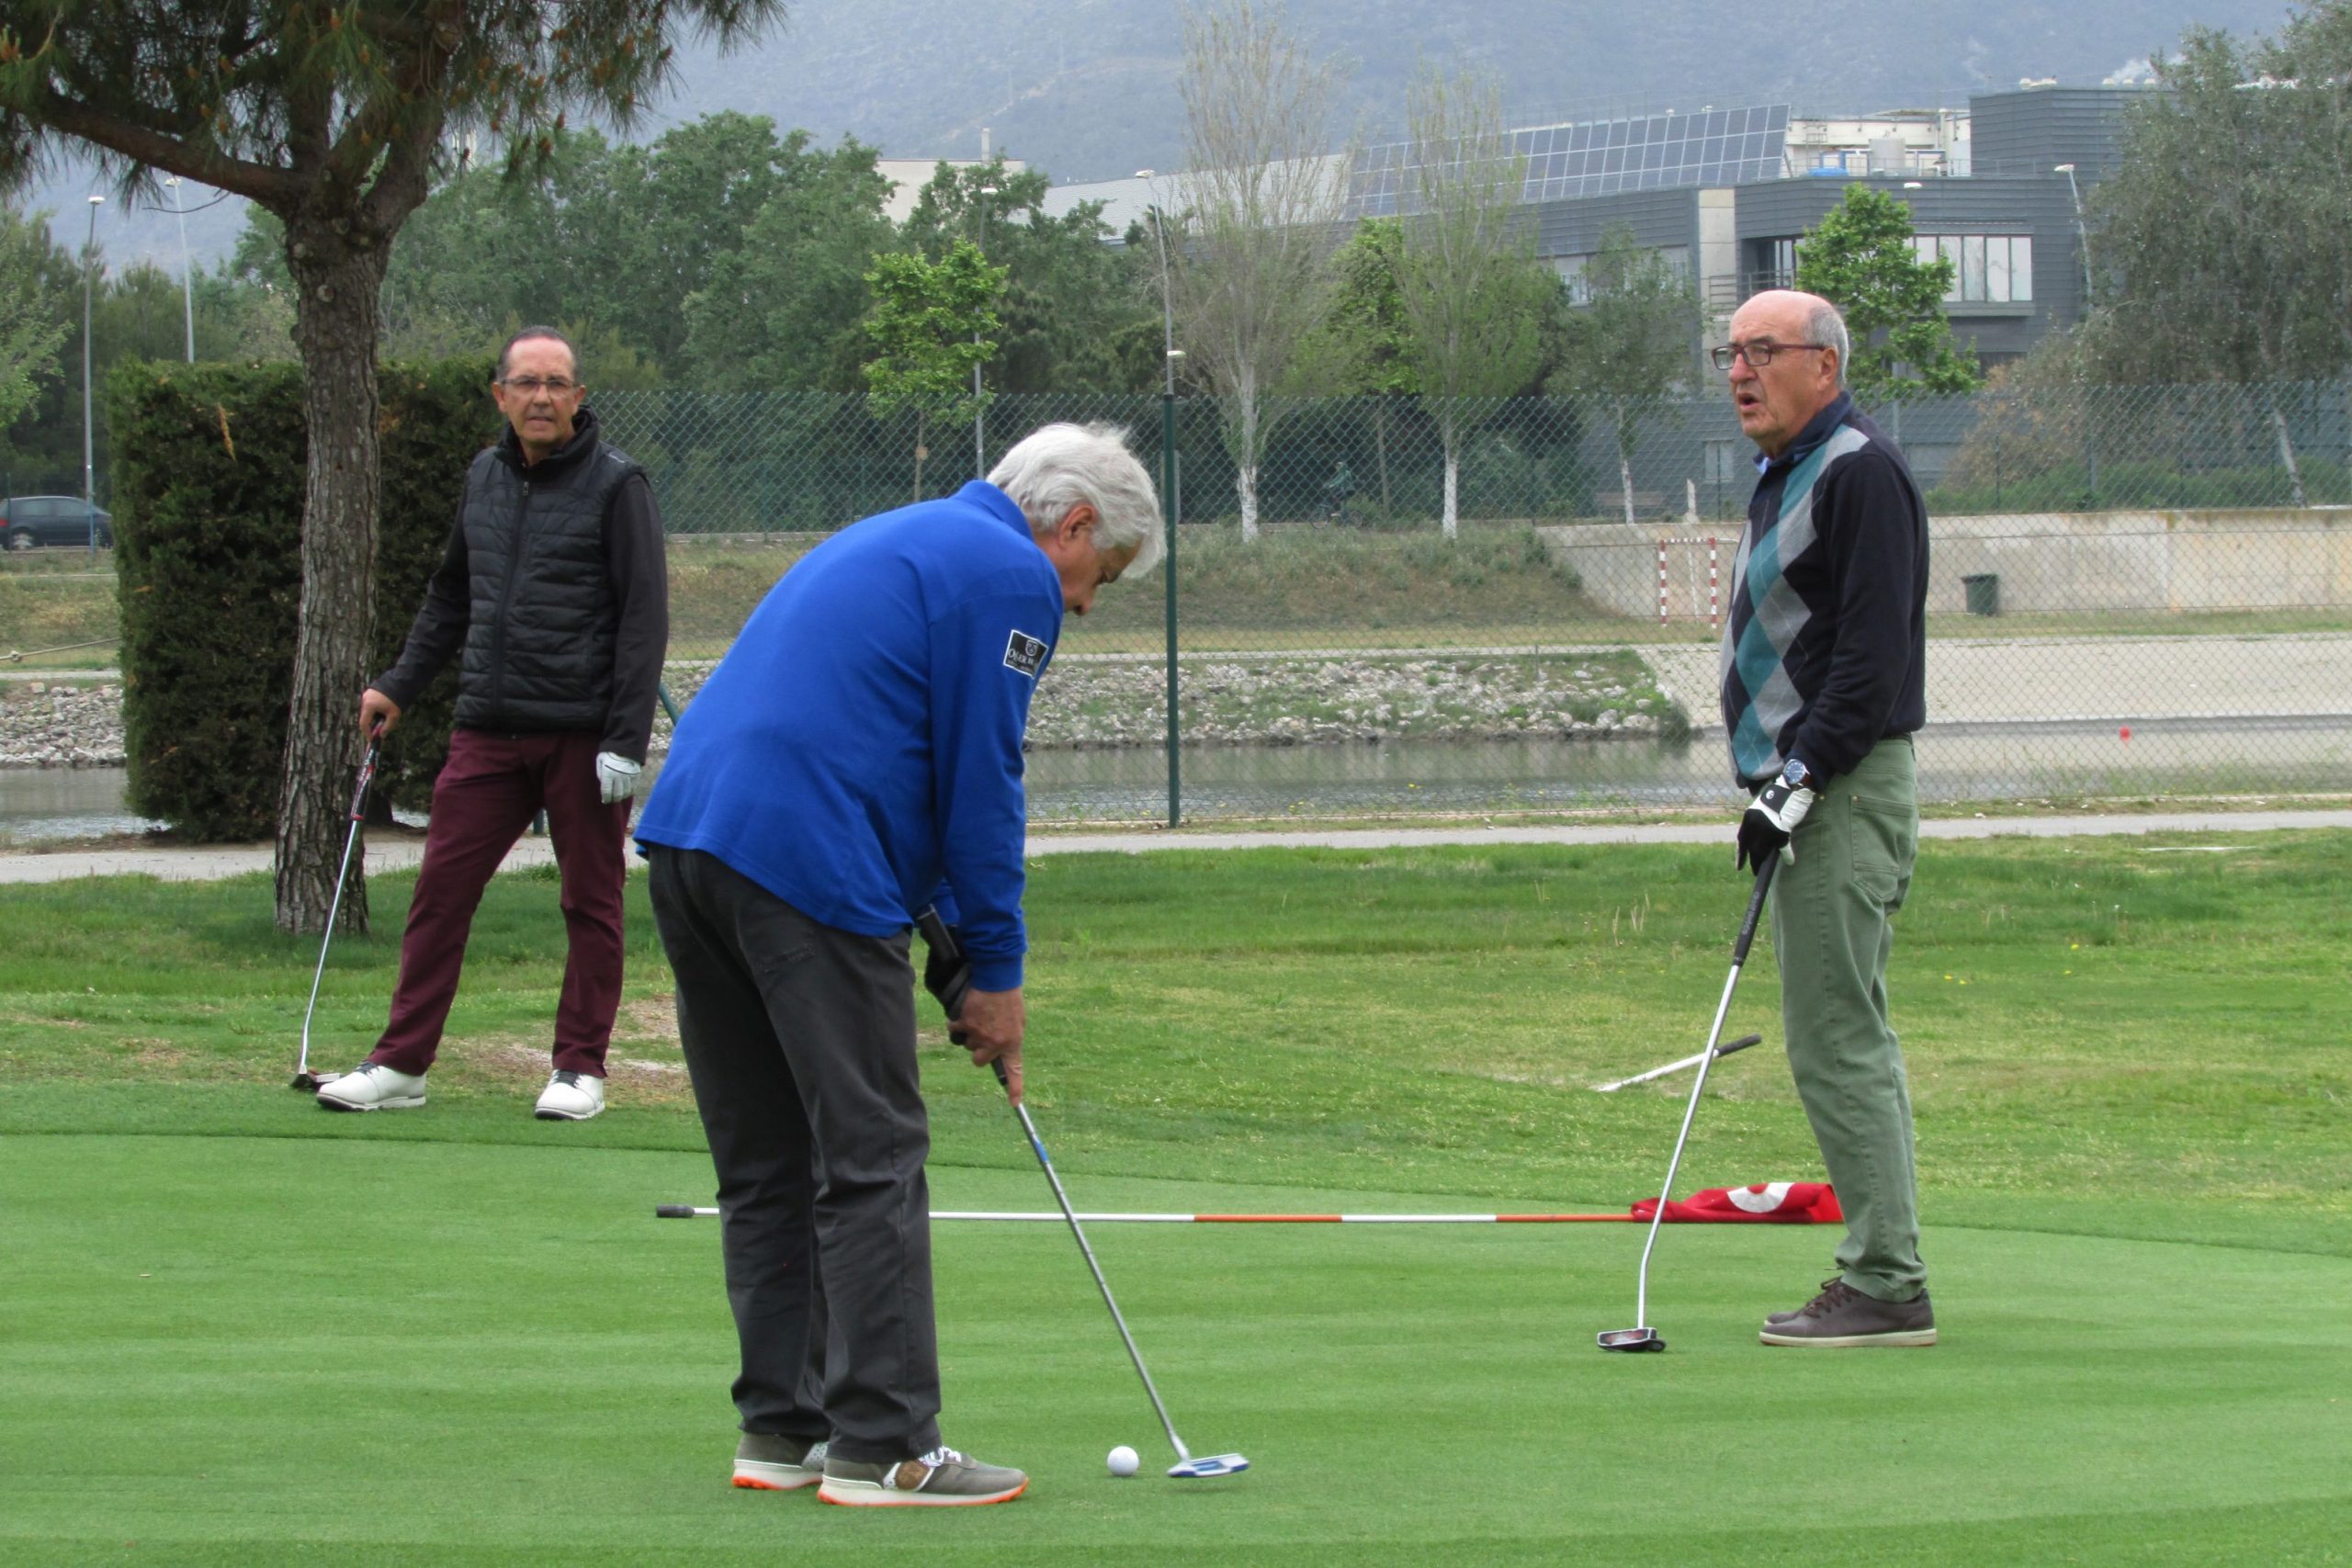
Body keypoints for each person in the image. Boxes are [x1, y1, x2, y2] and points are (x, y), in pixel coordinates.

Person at [633, 423, 1159, 1506]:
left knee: (768, 1160)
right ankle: (885, 1445)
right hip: (801, 857)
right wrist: (998, 973)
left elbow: (889, 769)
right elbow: (980, 784)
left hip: (692, 844)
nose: (1082, 606)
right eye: (1099, 577)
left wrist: (954, 961)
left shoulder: (906, 535)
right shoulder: (1011, 574)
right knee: (870, 1151)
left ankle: (784, 1430)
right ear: (1072, 527)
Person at [316, 326, 668, 1122]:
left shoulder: (620, 485)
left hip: (582, 734)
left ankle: (579, 1068)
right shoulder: (485, 474)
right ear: (500, 394)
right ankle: (402, 1063)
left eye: (556, 384)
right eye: (526, 383)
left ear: (579, 397)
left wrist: (626, 740)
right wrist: (399, 684)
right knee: (440, 893)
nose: (541, 397)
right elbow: (452, 593)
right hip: (488, 727)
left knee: (590, 902)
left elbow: (644, 619)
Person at [1714, 290, 1934, 1348]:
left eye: (1763, 351)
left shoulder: (1858, 471)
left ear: (1825, 365)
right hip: (1811, 791)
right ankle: (1883, 1271)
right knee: (1834, 1035)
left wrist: (1794, 781)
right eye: (1729, 354)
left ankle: (1886, 1282)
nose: (1739, 372)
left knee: (1837, 1038)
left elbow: (1870, 659)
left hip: (1841, 791)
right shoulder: (1790, 470)